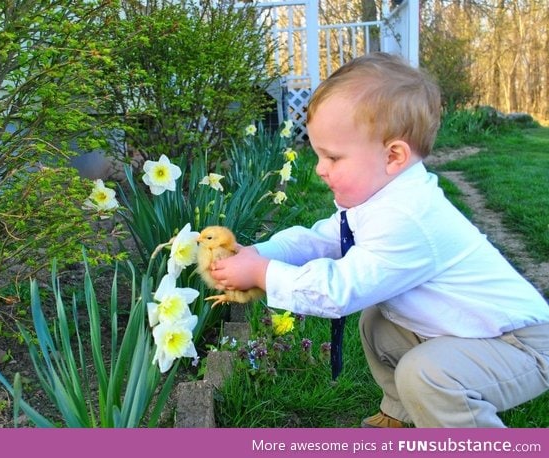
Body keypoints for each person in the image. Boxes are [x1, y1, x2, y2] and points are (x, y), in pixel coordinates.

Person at [210, 52, 549, 428]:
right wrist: (260, 253)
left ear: (393, 156)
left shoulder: (408, 218)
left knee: (427, 374)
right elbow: (320, 240)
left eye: (333, 158)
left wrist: (262, 273)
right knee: (378, 323)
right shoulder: (382, 196)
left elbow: (340, 291)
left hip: (518, 345)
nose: (320, 169)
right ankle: (399, 417)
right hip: (472, 331)